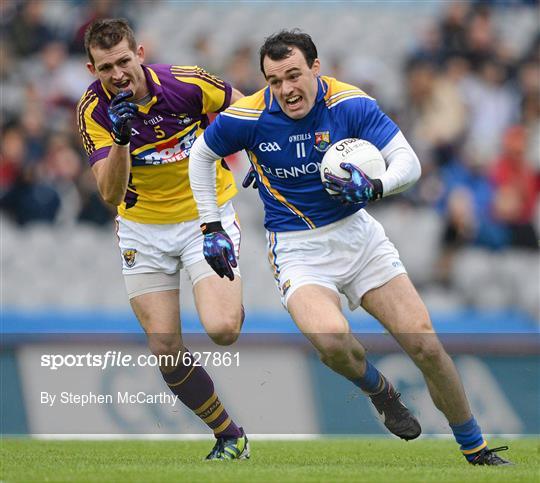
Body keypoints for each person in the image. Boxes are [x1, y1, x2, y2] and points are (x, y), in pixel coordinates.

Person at [189, 30, 511, 466]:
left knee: (425, 346)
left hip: (359, 238)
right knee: (331, 338)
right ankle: (380, 391)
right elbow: (201, 154)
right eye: (274, 80)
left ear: (316, 69)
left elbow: (408, 162)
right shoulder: (248, 116)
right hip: (297, 248)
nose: (285, 89)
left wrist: (375, 186)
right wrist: (211, 225)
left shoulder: (349, 103)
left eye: (293, 75)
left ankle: (476, 449)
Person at [77, 18, 249, 460]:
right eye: (104, 68)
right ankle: (229, 435)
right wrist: (120, 138)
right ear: (91, 69)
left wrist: (261, 168)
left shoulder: (186, 84)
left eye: (123, 61)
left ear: (140, 54)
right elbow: (110, 194)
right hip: (143, 231)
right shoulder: (92, 111)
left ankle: (227, 293)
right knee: (165, 346)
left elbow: (250, 109)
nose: (116, 75)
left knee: (223, 329)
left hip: (203, 218)